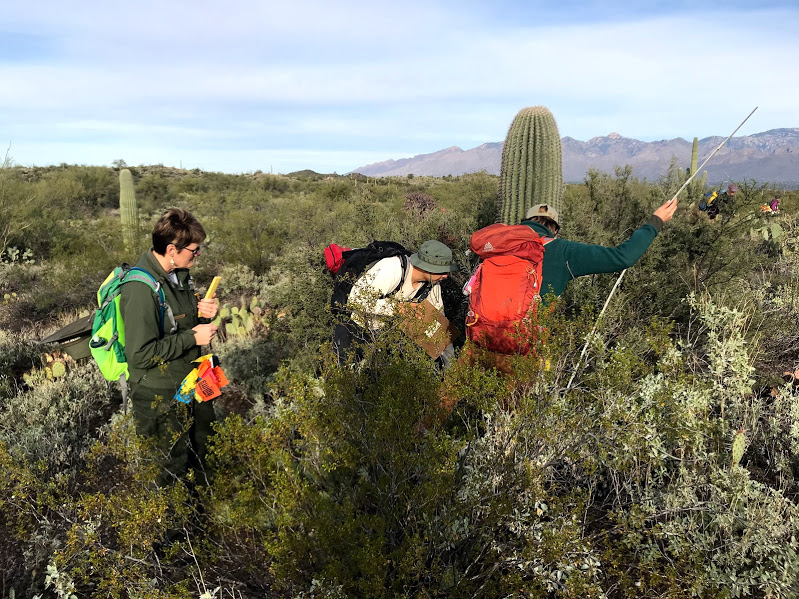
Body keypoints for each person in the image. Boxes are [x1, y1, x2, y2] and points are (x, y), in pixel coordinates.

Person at [120, 208, 219, 486]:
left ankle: (199, 513)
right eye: (193, 251)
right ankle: (172, 530)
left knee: (200, 447)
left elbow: (180, 324)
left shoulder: (178, 274)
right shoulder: (140, 288)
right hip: (158, 392)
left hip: (188, 379)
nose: (197, 256)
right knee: (168, 466)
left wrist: (202, 314)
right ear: (172, 249)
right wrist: (193, 338)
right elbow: (139, 355)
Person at [520, 198, 678, 301]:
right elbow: (623, 257)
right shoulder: (562, 250)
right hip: (522, 345)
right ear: (554, 231)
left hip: (493, 335)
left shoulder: (496, 240)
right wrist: (655, 223)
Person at [333, 240, 458, 363]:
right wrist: (398, 308)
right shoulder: (393, 268)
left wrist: (450, 366)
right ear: (427, 267)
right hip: (354, 326)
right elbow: (356, 299)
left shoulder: (432, 285)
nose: (446, 276)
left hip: (385, 333)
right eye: (442, 270)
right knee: (344, 370)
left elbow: (438, 323)